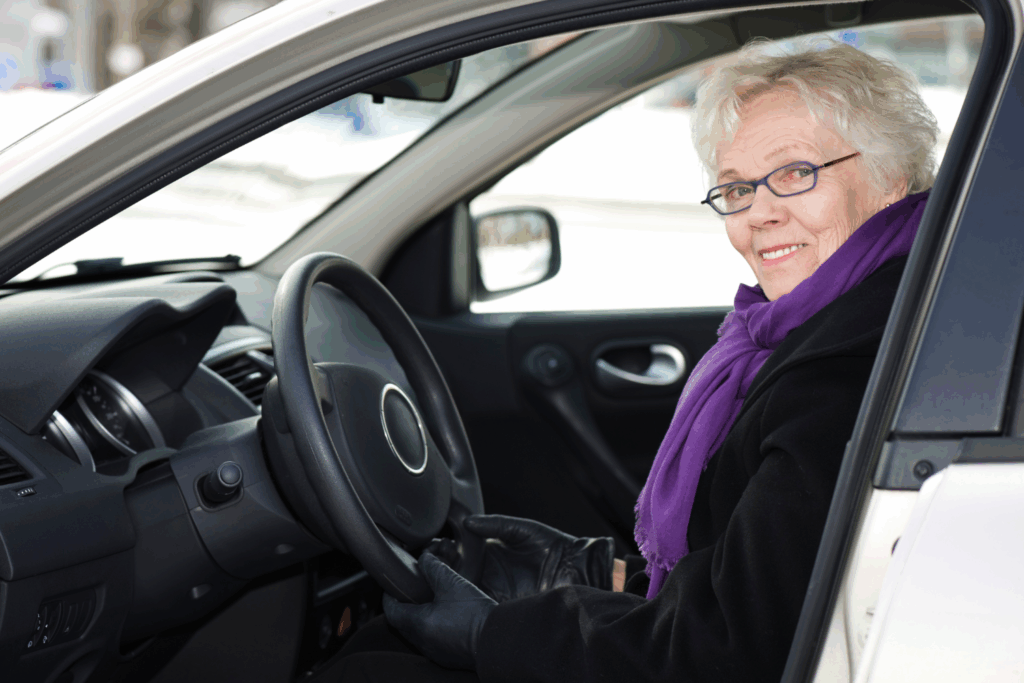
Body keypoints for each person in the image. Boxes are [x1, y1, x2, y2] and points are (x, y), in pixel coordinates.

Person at [317, 39, 939, 682]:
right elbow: (765, 582)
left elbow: (725, 654)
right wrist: (597, 573)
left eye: (794, 173)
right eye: (735, 188)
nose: (760, 214)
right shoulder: (846, 321)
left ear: (891, 178)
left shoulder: (844, 370)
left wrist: (491, 634)